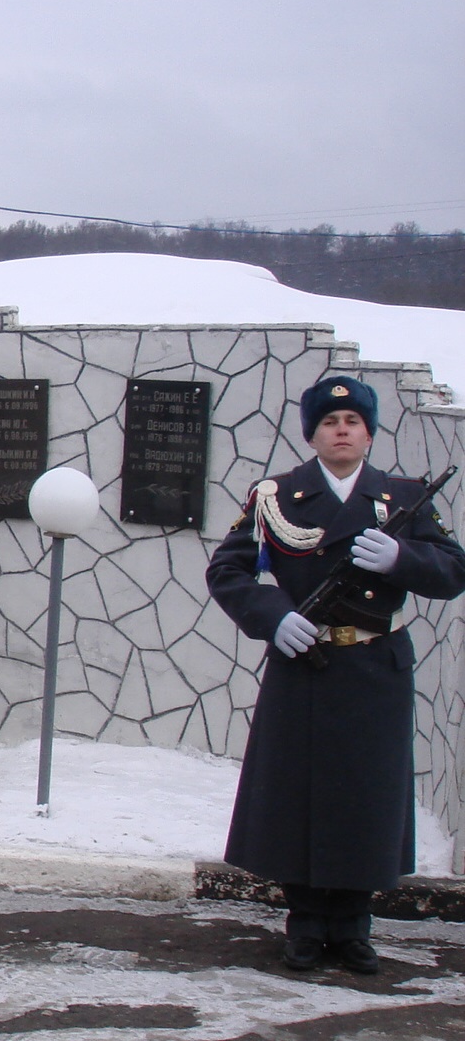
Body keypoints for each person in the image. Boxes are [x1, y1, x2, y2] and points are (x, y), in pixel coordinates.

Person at [206, 374, 465, 976]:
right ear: (314, 434)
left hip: (374, 667)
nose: (341, 431)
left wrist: (404, 557)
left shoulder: (401, 500)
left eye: (352, 423)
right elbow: (229, 570)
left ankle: (353, 925)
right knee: (299, 794)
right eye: (329, 422)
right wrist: (273, 618)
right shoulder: (276, 496)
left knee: (364, 798)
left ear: (369, 435)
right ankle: (304, 922)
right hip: (306, 662)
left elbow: (453, 572)